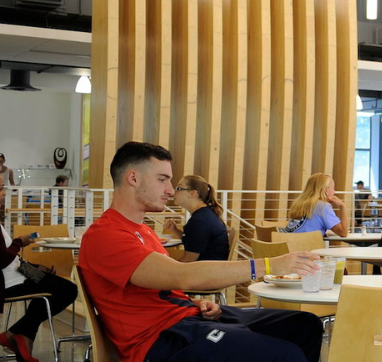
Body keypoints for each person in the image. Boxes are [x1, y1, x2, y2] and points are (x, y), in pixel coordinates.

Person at [77, 141, 323, 362]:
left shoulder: (143, 230)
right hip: (159, 339)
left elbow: (161, 288)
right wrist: (270, 265)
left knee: (306, 325)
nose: (170, 190)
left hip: (187, 318)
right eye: (162, 179)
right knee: (284, 354)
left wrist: (195, 301)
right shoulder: (106, 235)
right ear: (133, 178)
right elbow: (184, 275)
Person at [0, 186, 79, 362]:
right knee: (67, 290)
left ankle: (19, 337)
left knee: (59, 286)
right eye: (0, 189)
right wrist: (19, 241)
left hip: (18, 274)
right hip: (9, 282)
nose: (4, 193)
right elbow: (3, 259)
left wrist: (34, 268)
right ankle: (16, 335)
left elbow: (13, 261)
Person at [163, 175, 230, 262]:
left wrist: (167, 271)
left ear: (192, 193)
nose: (173, 192)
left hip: (206, 272)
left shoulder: (199, 221)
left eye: (179, 188)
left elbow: (189, 259)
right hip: (210, 268)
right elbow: (195, 242)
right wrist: (175, 230)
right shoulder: (204, 215)